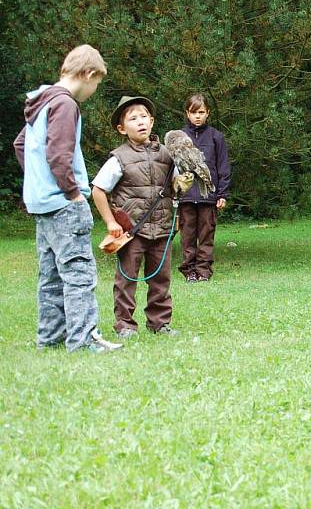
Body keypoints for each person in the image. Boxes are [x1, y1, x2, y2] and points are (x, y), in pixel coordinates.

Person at [12, 44, 121, 353]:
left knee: (50, 274)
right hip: (63, 203)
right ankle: (84, 339)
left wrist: (38, 181)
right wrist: (73, 194)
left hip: (40, 203)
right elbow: (59, 154)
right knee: (78, 272)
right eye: (96, 82)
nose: (94, 89)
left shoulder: (40, 101)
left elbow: (21, 145)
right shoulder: (64, 103)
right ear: (88, 74)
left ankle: (51, 336)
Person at [91, 96, 185, 338]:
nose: (140, 122)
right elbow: (98, 189)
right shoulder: (118, 158)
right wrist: (111, 222)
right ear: (122, 128)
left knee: (161, 280)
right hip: (132, 230)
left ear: (152, 121)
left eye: (144, 117)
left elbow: (174, 185)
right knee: (126, 281)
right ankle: (125, 326)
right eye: (133, 119)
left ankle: (160, 323)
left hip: (162, 228)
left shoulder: (167, 154)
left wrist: (182, 183)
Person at [177, 93, 231, 283]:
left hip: (209, 195)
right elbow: (173, 167)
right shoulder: (180, 137)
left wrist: (222, 193)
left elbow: (223, 166)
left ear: (208, 113)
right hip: (186, 196)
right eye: (193, 112)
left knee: (206, 234)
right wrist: (174, 193)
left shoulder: (216, 137)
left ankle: (204, 271)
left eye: (201, 112)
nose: (197, 116)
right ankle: (190, 270)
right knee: (188, 236)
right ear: (187, 113)